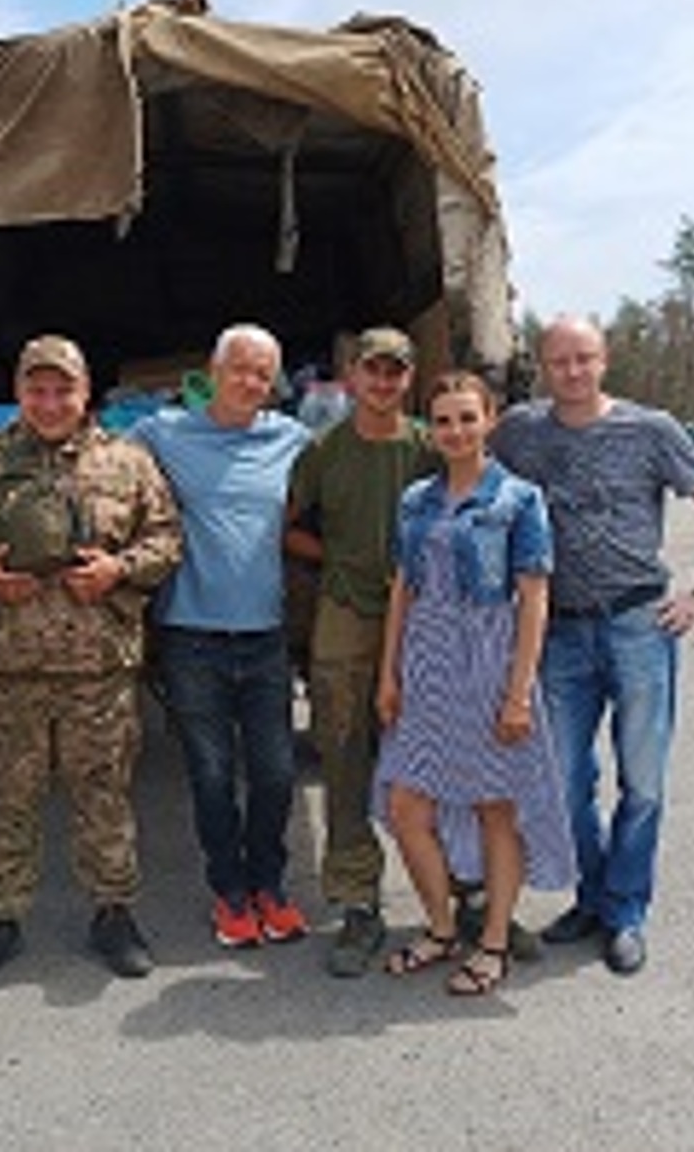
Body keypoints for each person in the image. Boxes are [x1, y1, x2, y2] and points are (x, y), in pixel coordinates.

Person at [0, 335, 182, 990]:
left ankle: (113, 913)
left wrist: (118, 568)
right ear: (18, 393)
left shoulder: (127, 462)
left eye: (62, 388)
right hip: (6, 668)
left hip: (98, 668)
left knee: (104, 798)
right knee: (6, 800)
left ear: (85, 392)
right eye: (37, 389)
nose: (50, 401)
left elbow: (167, 539)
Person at [491, 314, 694, 975]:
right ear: (543, 368)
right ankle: (593, 897)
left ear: (604, 361)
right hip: (559, 632)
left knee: (645, 782)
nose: (572, 372)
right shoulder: (519, 431)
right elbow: (471, 475)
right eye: (559, 361)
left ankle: (626, 910)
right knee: (565, 781)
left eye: (584, 358)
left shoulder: (651, 431)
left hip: (640, 625)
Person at [373, 372, 574, 996]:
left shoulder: (519, 499)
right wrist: (389, 672)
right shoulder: (415, 500)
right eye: (442, 421)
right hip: (426, 660)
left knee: (494, 806)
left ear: (490, 420)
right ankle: (439, 927)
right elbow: (404, 587)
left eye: (467, 418)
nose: (455, 431)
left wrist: (518, 693)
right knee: (408, 805)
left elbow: (535, 597)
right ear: (429, 429)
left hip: (489, 662)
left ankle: (492, 941)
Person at [132, 324, 313, 949]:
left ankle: (270, 885)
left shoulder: (291, 439)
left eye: (263, 374)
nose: (250, 382)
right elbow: (97, 468)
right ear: (211, 371)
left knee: (275, 774)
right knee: (210, 776)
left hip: (265, 637)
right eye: (239, 368)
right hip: (191, 639)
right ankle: (231, 894)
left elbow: (350, 477)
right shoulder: (162, 432)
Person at [284, 327, 438, 977]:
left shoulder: (432, 446)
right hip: (346, 612)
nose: (383, 382)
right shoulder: (323, 451)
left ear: (408, 379)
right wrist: (340, 560)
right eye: (372, 371)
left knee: (437, 756)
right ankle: (357, 903)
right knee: (344, 754)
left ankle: (460, 892)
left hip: (427, 616)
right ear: (352, 378)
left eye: (395, 372)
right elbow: (288, 528)